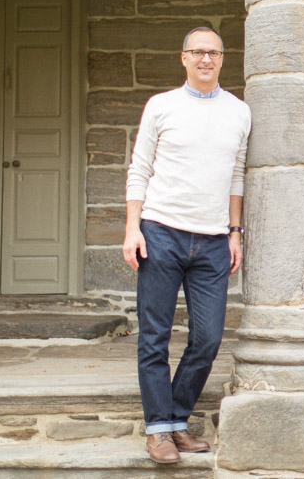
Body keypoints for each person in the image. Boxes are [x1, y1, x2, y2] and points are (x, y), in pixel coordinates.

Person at [122, 27, 251, 464]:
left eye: (213, 52)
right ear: (183, 58)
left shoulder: (238, 111)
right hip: (159, 231)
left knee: (208, 338)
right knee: (154, 337)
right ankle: (158, 429)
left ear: (222, 58)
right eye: (197, 52)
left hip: (214, 241)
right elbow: (139, 169)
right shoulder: (161, 105)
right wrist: (131, 228)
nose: (205, 59)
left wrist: (235, 232)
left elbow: (237, 175)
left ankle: (175, 420)